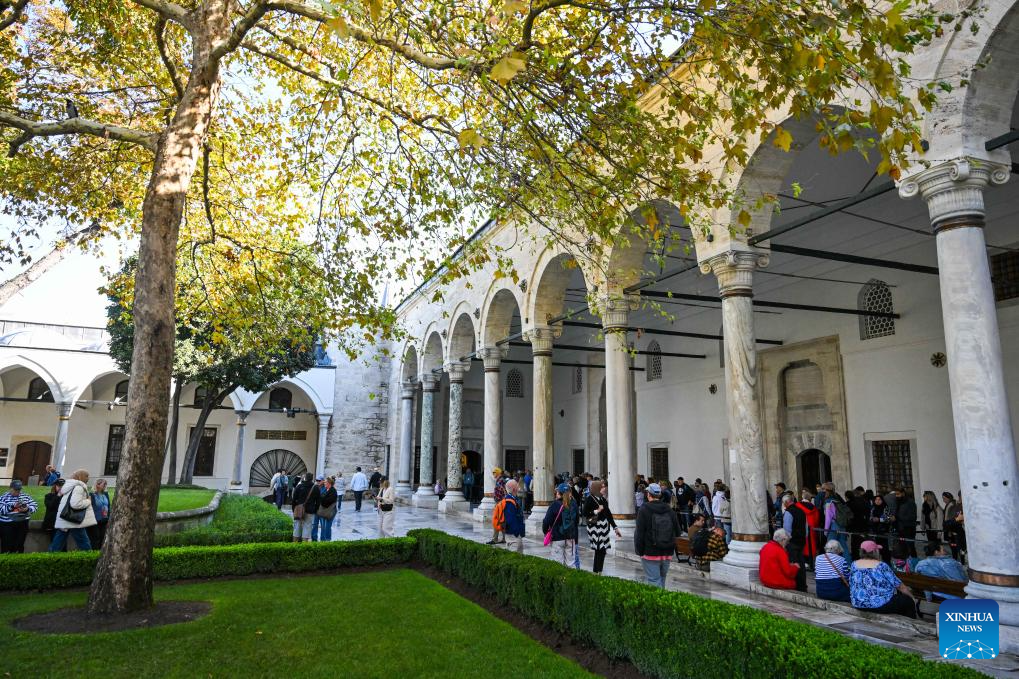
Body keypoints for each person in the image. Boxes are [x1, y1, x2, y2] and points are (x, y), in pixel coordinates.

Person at [850, 540, 917, 618]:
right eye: (877, 550)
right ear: (874, 551)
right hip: (879, 605)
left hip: (858, 603)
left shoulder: (854, 564)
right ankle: (910, 627)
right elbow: (900, 586)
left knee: (899, 601)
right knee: (908, 601)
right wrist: (912, 597)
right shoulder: (881, 566)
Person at [634, 483, 680, 588]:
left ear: (648, 495)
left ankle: (656, 604)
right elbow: (678, 532)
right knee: (662, 579)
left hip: (650, 552)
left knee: (654, 580)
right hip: (667, 552)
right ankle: (662, 602)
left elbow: (639, 533)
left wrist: (639, 551)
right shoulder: (669, 509)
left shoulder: (644, 509)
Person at [50, 469, 96, 551]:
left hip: (65, 518)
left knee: (57, 544)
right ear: (81, 476)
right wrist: (88, 501)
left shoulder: (70, 486)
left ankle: (48, 560)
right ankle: (89, 561)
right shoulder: (79, 488)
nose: (88, 478)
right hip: (73, 519)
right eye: (86, 475)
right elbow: (75, 504)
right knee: (84, 544)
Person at [582, 480, 621, 574]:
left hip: (603, 528)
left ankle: (599, 571)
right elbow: (584, 513)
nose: (604, 489)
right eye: (602, 487)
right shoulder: (590, 499)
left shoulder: (602, 499)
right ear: (597, 489)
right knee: (599, 549)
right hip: (595, 527)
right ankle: (596, 571)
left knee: (602, 550)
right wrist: (596, 511)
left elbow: (608, 514)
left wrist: (615, 527)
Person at [543, 482, 579, 568]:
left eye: (557, 493)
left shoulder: (555, 504)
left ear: (559, 493)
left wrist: (546, 532)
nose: (556, 495)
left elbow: (546, 521)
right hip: (571, 537)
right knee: (571, 564)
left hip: (557, 537)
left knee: (557, 565)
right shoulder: (574, 504)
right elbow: (576, 521)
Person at [0, 480, 38, 553]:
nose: (17, 492)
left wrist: (27, 509)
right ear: (10, 488)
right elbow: (1, 509)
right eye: (16, 490)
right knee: (7, 545)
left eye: (19, 490)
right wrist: (12, 506)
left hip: (22, 523)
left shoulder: (25, 496)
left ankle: (18, 557)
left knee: (19, 545)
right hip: (7, 525)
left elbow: (34, 506)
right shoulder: (3, 497)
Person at [499, 479, 526, 553]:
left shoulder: (512, 499)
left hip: (514, 534)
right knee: (514, 556)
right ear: (514, 489)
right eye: (517, 486)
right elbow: (510, 519)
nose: (519, 488)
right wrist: (517, 532)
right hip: (513, 536)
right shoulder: (509, 501)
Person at [291, 473, 316, 542]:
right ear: (312, 478)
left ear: (305, 478)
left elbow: (294, 499)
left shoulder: (299, 486)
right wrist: (315, 510)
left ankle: (295, 543)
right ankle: (304, 546)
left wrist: (294, 509)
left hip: (299, 510)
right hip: (310, 510)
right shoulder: (315, 487)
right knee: (307, 527)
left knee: (297, 527)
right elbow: (318, 501)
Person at [42, 478, 66, 549]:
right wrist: (58, 496)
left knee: (63, 545)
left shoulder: (66, 497)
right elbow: (50, 506)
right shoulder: (48, 496)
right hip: (52, 523)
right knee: (54, 543)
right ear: (55, 486)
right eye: (59, 486)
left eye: (62, 486)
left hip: (63, 523)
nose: (60, 488)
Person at [894, 487, 917, 557]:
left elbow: (912, 517)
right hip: (900, 528)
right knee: (902, 549)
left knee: (910, 547)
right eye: (896, 494)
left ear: (903, 493)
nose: (896, 496)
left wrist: (897, 517)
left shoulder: (910, 502)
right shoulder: (899, 502)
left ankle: (913, 563)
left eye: (898, 494)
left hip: (908, 528)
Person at [88, 479, 111, 549]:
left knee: (102, 538)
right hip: (95, 520)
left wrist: (109, 518)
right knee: (95, 538)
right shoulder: (91, 495)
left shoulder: (105, 494)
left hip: (104, 519)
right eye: (104, 484)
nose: (105, 486)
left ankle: (100, 554)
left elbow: (108, 506)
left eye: (106, 484)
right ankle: (94, 554)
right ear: (97, 485)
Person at [314, 476, 337, 541]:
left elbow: (327, 502)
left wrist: (321, 499)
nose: (324, 483)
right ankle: (324, 540)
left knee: (327, 527)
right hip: (325, 511)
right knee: (325, 527)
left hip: (330, 512)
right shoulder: (327, 490)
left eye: (326, 482)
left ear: (329, 483)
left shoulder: (333, 491)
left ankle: (327, 540)